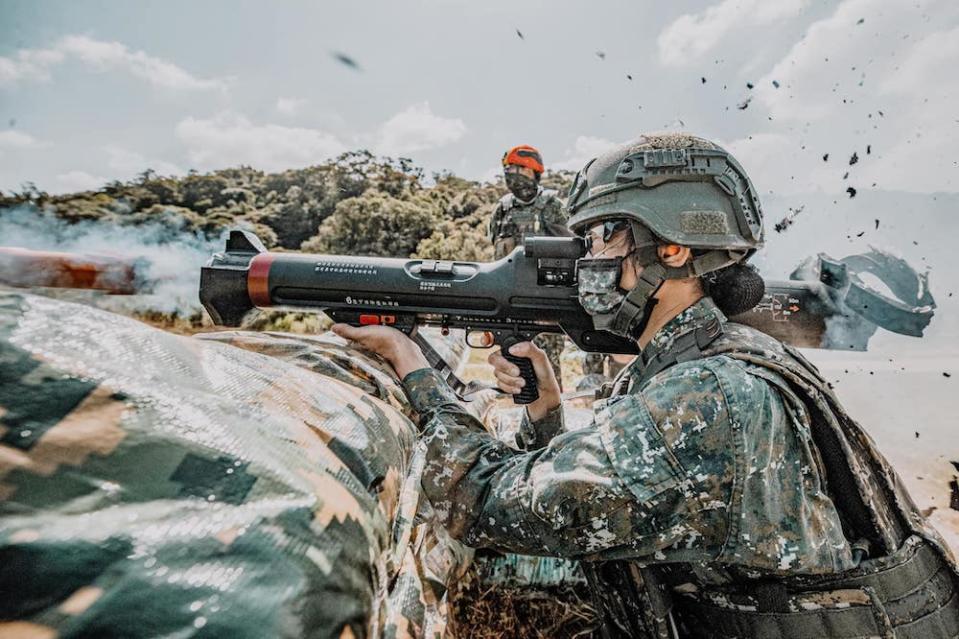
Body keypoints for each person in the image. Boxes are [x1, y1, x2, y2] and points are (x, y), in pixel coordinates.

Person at [333, 133, 959, 638]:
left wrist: (411, 365)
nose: (588, 259)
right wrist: (548, 415)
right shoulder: (708, 357)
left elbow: (483, 504)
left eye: (604, 234)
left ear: (675, 249)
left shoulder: (709, 396)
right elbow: (606, 499)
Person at [489, 144, 570, 386]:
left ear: (534, 172)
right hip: (509, 299)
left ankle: (552, 413)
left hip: (546, 300)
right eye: (508, 169)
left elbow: (570, 246)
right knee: (513, 362)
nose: (511, 174)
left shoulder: (551, 204)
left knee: (547, 367)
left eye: (519, 169)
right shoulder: (502, 209)